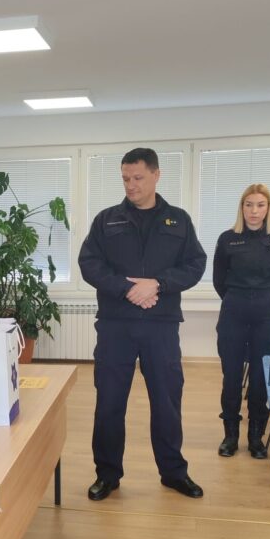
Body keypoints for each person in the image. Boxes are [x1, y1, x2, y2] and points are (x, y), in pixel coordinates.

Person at [78, 147, 206, 500]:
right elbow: (89, 263)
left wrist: (158, 285)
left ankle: (174, 473)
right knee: (109, 403)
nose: (130, 185)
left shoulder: (178, 220)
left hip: (161, 325)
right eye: (125, 179)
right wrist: (128, 289)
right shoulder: (107, 220)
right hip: (115, 325)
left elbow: (195, 264)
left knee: (166, 402)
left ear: (156, 175)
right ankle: (107, 474)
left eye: (137, 178)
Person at [213, 184, 270, 458]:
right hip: (233, 310)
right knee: (232, 376)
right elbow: (219, 279)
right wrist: (240, 297)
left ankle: (256, 437)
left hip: (266, 311)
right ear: (242, 207)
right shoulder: (228, 238)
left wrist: (261, 296)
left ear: (268, 208)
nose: (254, 211)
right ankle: (230, 436)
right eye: (248, 204)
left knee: (261, 377)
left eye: (260, 205)